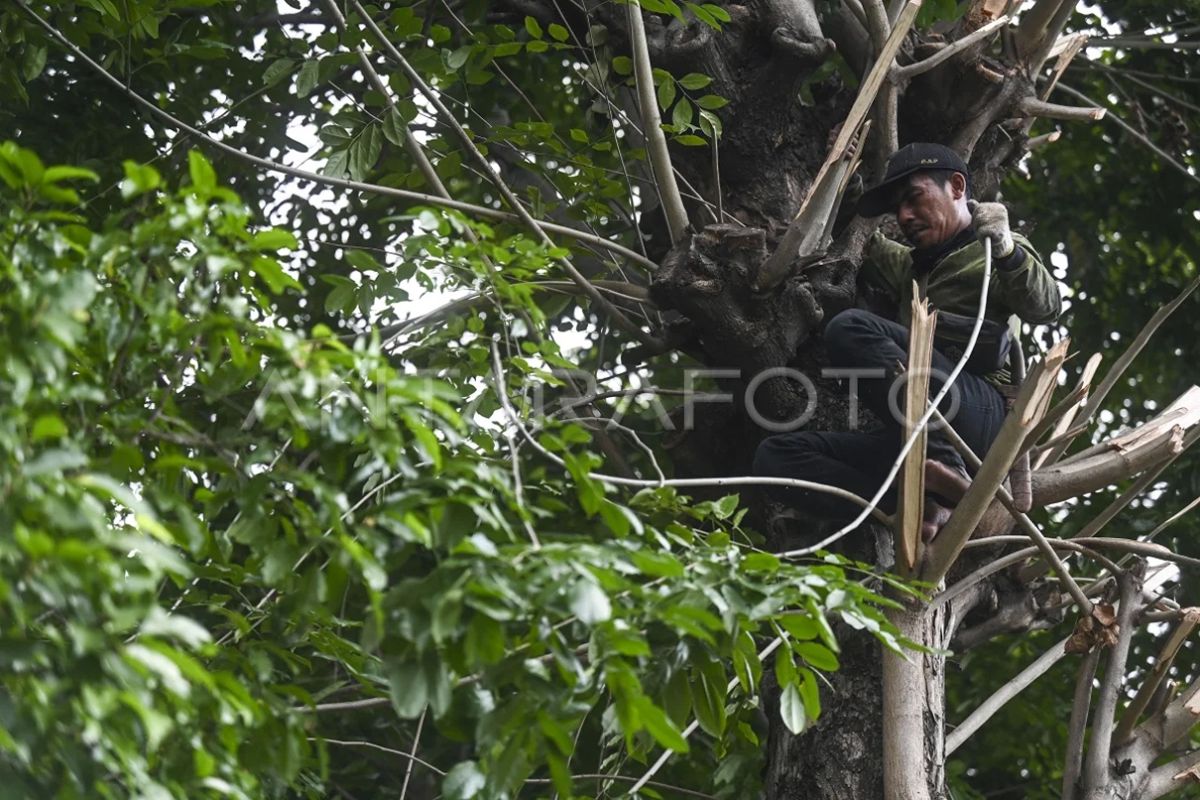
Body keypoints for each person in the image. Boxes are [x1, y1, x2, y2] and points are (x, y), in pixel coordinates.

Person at [753, 142, 1061, 542]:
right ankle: (914, 505)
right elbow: (865, 241)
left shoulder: (990, 251)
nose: (903, 216)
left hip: (979, 413)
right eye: (897, 208)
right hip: (916, 430)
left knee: (850, 329)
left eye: (914, 198)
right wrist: (839, 173)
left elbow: (1045, 306)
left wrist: (1005, 248)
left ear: (955, 186)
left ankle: (951, 470)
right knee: (774, 457)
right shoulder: (913, 269)